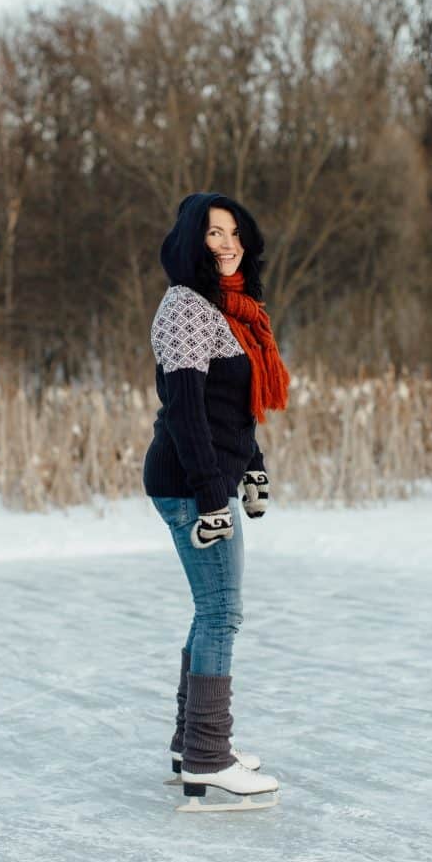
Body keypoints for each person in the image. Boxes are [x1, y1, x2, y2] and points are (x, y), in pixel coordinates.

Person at [142, 191, 291, 811]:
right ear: (189, 242)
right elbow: (186, 414)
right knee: (222, 612)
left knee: (210, 610)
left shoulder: (232, 311)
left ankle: (189, 746)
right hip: (188, 484)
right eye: (212, 234)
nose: (226, 243)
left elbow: (232, 410)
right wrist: (211, 497)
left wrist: (250, 468)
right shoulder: (184, 309)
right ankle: (209, 755)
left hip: (203, 481)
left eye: (233, 232)